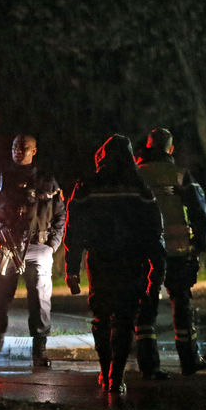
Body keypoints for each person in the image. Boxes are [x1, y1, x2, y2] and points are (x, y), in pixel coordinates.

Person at [64, 134, 166, 394]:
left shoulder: (88, 184)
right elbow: (154, 229)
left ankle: (105, 369)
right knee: (123, 317)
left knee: (101, 316)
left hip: (100, 260)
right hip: (132, 260)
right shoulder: (140, 186)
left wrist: (71, 268)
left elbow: (73, 228)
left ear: (102, 156)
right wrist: (157, 267)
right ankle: (116, 376)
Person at [0, 134, 66, 367]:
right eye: (15, 147)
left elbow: (60, 214)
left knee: (39, 297)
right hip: (7, 246)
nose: (18, 151)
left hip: (38, 246)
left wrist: (52, 245)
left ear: (34, 151)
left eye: (24, 147)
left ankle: (39, 349)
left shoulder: (47, 180)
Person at [135, 128, 206, 377]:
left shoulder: (136, 175)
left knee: (145, 307)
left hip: (144, 252)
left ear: (148, 147)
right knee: (181, 302)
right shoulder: (179, 174)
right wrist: (201, 243)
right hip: (178, 252)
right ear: (170, 149)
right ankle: (189, 360)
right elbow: (200, 213)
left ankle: (149, 365)